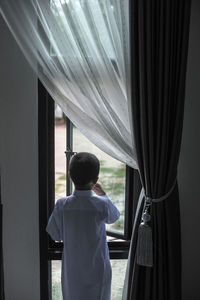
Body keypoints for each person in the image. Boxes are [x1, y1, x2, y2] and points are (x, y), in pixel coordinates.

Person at [46, 152, 120, 300]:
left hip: (72, 270)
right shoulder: (101, 204)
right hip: (98, 267)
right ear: (96, 180)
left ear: (69, 175)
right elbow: (114, 217)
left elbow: (54, 234)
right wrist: (103, 194)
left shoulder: (63, 205)